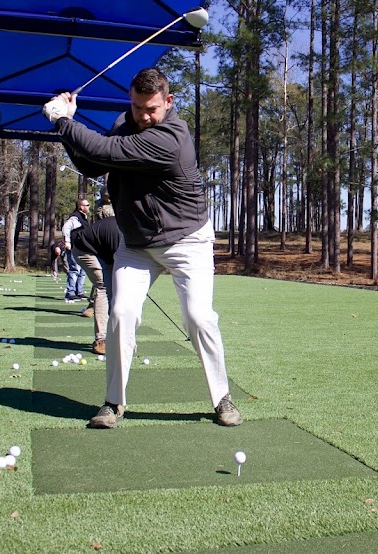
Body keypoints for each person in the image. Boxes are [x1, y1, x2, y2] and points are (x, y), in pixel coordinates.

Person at [43, 68, 241, 429]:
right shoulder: (125, 123)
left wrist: (61, 120)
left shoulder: (172, 137)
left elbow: (106, 149)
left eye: (151, 108)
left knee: (199, 317)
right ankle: (113, 402)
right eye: (137, 108)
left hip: (186, 240)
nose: (144, 116)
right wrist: (69, 125)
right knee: (120, 314)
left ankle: (222, 397)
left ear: (168, 101)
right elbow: (91, 161)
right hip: (136, 243)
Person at [71, 216, 121, 356]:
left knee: (113, 290)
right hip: (83, 250)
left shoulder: (128, 230)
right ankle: (101, 340)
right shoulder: (119, 234)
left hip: (101, 252)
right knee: (103, 286)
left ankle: (117, 335)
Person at [61, 199, 89, 302]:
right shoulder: (75, 218)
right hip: (74, 248)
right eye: (87, 205)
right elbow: (65, 228)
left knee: (82, 271)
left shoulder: (83, 218)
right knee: (75, 270)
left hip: (82, 249)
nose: (89, 207)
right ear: (81, 207)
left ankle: (79, 292)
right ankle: (70, 292)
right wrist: (67, 242)